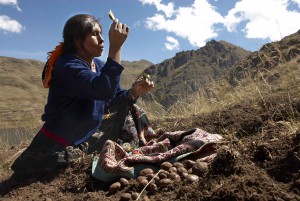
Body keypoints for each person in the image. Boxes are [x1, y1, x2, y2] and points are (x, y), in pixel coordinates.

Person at [11, 14, 154, 176]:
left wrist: (135, 91)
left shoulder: (97, 65)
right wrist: (115, 47)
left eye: (101, 33)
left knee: (133, 111)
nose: (102, 39)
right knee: (57, 162)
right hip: (63, 141)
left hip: (88, 131)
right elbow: (102, 89)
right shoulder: (67, 66)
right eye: (95, 34)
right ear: (77, 40)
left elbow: (112, 97)